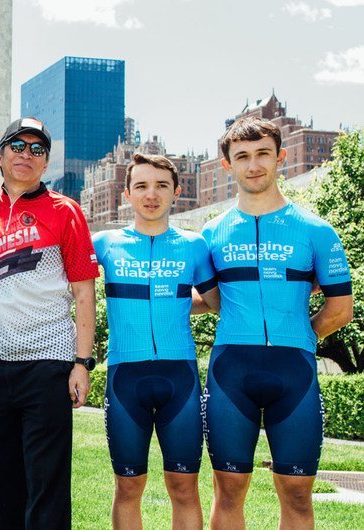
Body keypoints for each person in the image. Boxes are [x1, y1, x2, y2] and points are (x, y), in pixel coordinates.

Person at [202, 116, 354, 529]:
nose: (254, 165)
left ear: (280, 158)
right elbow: (209, 298)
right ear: (226, 165)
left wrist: (303, 336)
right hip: (231, 371)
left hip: (295, 373)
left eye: (263, 155)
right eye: (243, 157)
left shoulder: (316, 230)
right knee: (228, 489)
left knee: (298, 494)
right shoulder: (210, 234)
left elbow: (341, 308)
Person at [0, 117, 98, 529]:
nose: (26, 155)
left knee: (47, 485)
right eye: (17, 146)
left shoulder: (65, 211)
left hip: (47, 366)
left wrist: (82, 363)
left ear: (46, 163)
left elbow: (84, 293)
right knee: (3, 484)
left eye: (37, 150)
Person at [92, 153, 221, 530]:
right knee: (128, 487)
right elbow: (68, 289)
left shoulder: (194, 245)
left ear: (176, 192)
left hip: (179, 376)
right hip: (124, 379)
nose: (152, 194)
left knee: (184, 486)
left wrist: (172, 303)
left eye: (162, 185)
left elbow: (214, 303)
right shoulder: (104, 243)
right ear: (127, 194)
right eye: (142, 186)